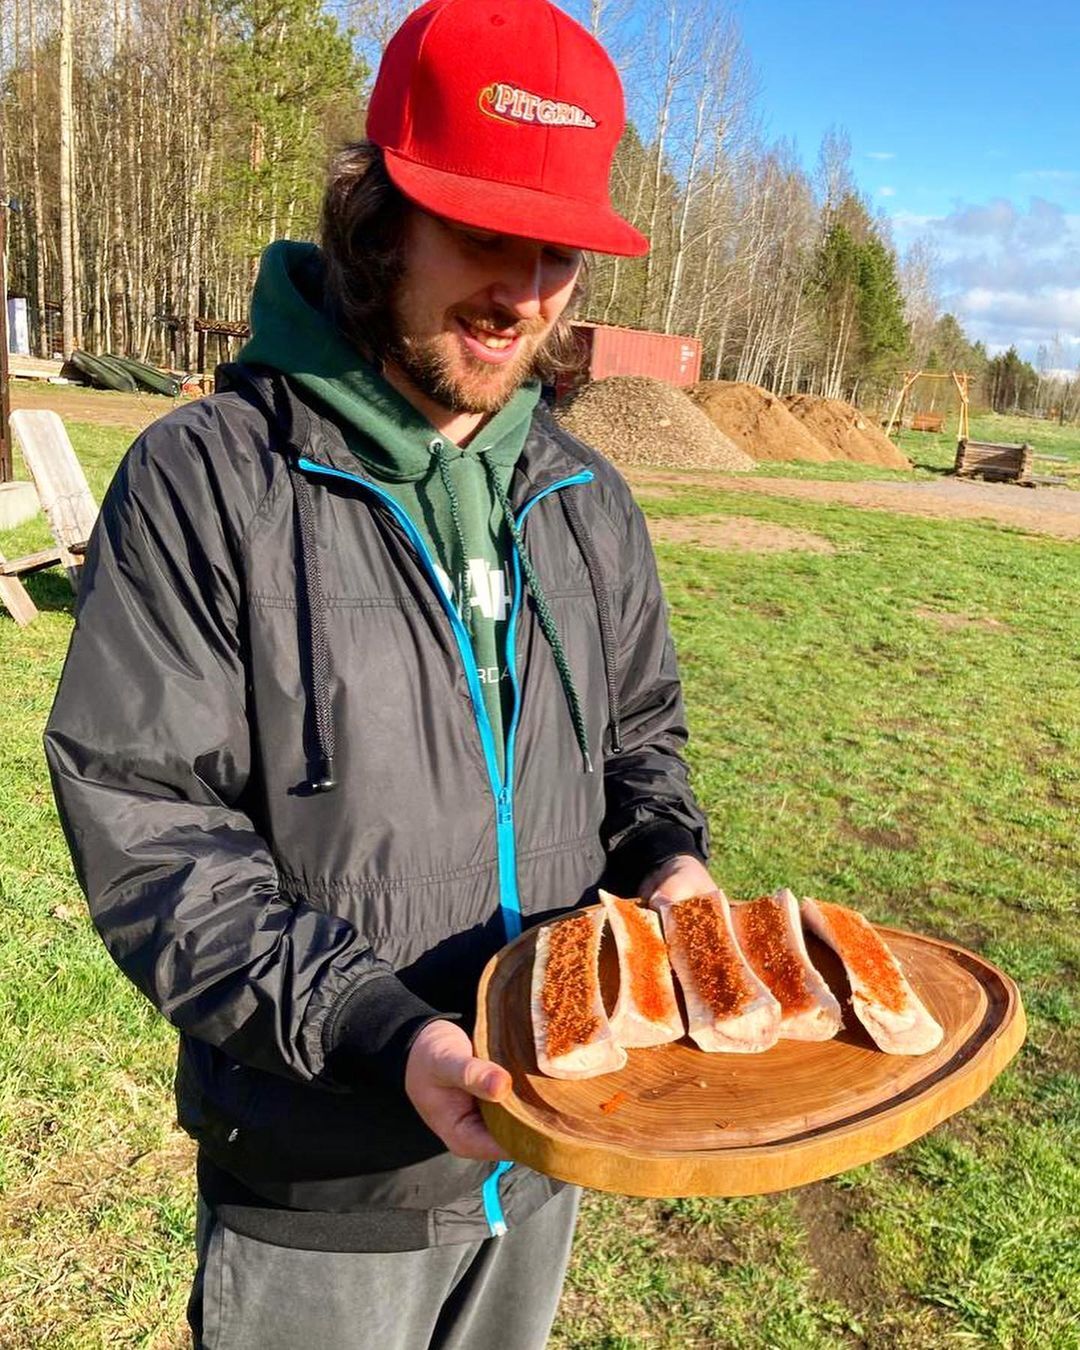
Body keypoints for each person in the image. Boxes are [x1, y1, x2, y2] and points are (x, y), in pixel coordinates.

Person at [45, 0, 715, 1345]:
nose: (522, 289)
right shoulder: (211, 482)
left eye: (559, 251)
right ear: (379, 219)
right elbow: (151, 828)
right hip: (323, 1180)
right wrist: (382, 1031)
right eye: (481, 230)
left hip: (555, 1149)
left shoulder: (587, 499)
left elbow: (641, 737)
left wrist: (671, 866)